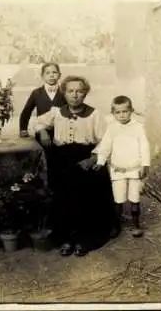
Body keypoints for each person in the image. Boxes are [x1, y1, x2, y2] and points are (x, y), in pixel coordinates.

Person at [33, 75, 116, 257]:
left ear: (85, 93)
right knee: (63, 196)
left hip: (85, 159)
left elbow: (106, 142)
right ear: (65, 93)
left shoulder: (94, 115)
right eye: (71, 91)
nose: (75, 95)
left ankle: (85, 239)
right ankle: (66, 238)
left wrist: (93, 159)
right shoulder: (57, 112)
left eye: (79, 91)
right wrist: (43, 132)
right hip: (62, 159)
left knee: (85, 197)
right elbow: (36, 122)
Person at [93, 95, 150, 237]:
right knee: (118, 199)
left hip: (134, 169)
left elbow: (144, 146)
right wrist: (100, 162)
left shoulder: (138, 128)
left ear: (131, 111)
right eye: (118, 112)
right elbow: (105, 147)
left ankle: (136, 224)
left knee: (134, 198)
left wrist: (145, 164)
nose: (122, 115)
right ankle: (116, 225)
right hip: (118, 170)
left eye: (125, 111)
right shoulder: (112, 129)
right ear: (113, 114)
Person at [19, 63, 66, 190]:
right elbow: (26, 111)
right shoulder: (36, 93)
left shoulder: (65, 92)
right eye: (48, 73)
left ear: (59, 75)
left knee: (61, 162)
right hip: (42, 133)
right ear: (42, 76)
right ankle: (45, 189)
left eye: (54, 72)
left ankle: (60, 189)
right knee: (45, 161)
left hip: (62, 133)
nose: (51, 75)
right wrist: (23, 129)